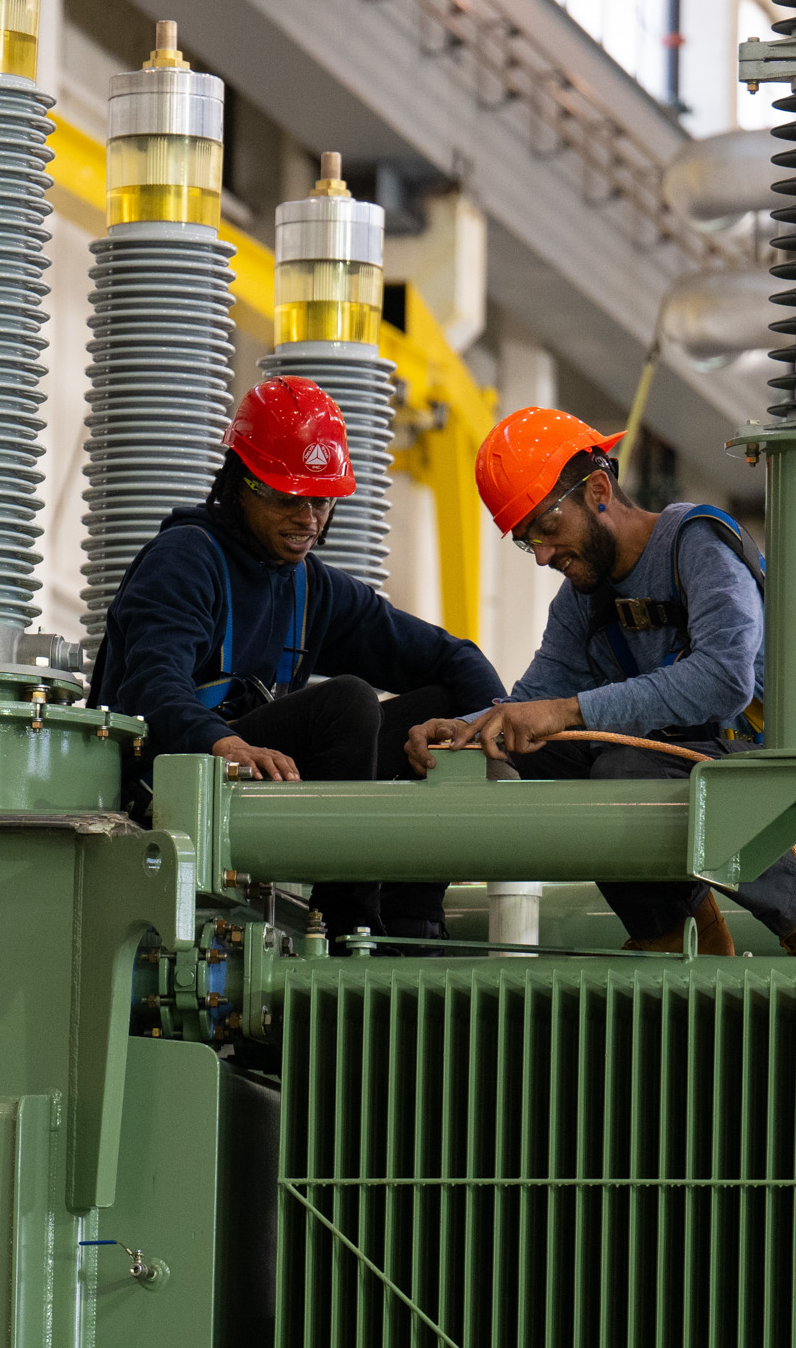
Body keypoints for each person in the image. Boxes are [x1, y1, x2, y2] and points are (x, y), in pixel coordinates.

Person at [403, 406, 796, 957]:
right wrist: (461, 730)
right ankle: (677, 935)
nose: (540, 555)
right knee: (537, 748)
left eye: (546, 527)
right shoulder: (581, 604)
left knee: (619, 766)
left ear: (599, 490)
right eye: (524, 540)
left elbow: (725, 678)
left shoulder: (698, 544)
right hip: (696, 788)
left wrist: (568, 712)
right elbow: (532, 707)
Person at [91, 376, 503, 940]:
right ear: (241, 485)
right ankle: (346, 923)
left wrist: (488, 724)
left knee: (447, 706)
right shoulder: (185, 559)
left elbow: (453, 656)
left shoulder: (312, 588)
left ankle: (413, 922)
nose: (309, 520)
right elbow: (150, 686)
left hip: (263, 778)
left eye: (322, 500)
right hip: (166, 788)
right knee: (350, 701)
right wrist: (223, 742)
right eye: (288, 498)